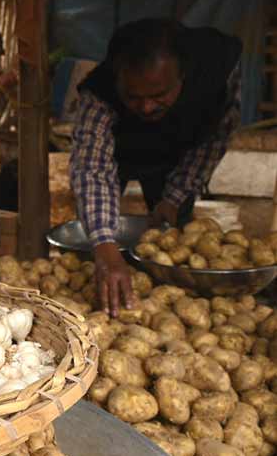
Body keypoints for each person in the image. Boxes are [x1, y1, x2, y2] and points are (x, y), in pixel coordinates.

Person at [70, 19, 241, 317]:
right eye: (133, 97)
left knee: (175, 230)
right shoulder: (98, 94)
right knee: (97, 239)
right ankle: (109, 273)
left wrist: (174, 197)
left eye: (158, 95)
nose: (146, 107)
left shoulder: (218, 73)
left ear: (182, 77)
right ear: (118, 79)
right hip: (120, 150)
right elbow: (92, 168)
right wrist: (106, 250)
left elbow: (213, 139)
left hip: (176, 152)